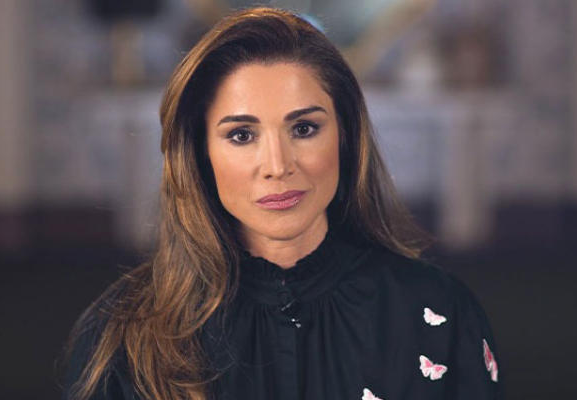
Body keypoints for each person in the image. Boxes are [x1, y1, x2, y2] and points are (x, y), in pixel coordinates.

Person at [62, 7, 502, 400]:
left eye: (304, 129)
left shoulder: (439, 311)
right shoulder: (121, 334)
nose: (277, 166)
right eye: (241, 135)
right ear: (199, 153)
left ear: (345, 136)